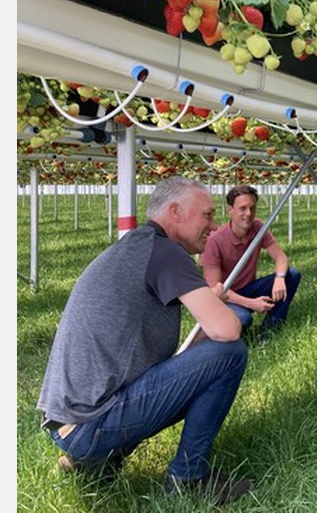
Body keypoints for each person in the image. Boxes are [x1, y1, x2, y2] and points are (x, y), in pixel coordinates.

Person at [36, 176, 252, 504]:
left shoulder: (139, 247)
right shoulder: (164, 252)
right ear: (176, 212)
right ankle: (189, 479)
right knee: (230, 354)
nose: (214, 224)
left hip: (67, 422)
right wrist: (217, 301)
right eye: (207, 215)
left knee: (207, 357)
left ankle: (90, 464)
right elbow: (227, 330)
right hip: (88, 425)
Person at [201, 185, 302, 342]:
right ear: (230, 210)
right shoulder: (214, 241)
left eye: (252, 208)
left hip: (249, 288)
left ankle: (270, 331)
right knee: (244, 319)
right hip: (227, 298)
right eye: (242, 208)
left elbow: (281, 258)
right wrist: (251, 303)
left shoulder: (257, 227)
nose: (248, 214)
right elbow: (215, 289)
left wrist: (280, 278)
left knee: (292, 275)